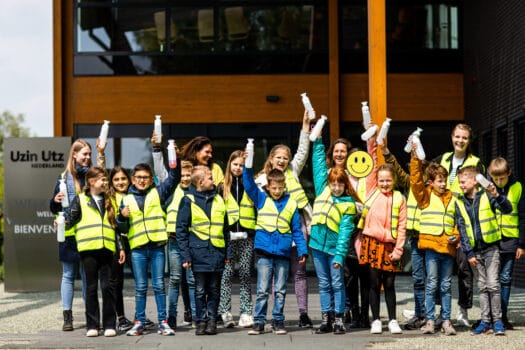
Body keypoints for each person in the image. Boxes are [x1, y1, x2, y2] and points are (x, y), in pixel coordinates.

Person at [255, 110, 313, 327]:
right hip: (274, 233)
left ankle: (303, 314)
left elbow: (302, 151)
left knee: (299, 273)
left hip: (297, 225)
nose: (282, 160)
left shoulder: (293, 170)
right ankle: (274, 315)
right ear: (271, 158)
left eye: (285, 157)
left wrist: (305, 127)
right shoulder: (262, 180)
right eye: (278, 157)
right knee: (273, 276)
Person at [244, 148, 308, 335]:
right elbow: (248, 185)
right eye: (274, 188)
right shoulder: (261, 198)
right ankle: (258, 322)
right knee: (263, 289)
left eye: (280, 188)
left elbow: (296, 229)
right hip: (264, 252)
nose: (277, 191)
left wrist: (302, 251)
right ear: (268, 187)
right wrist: (248, 165)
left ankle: (278, 321)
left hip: (283, 252)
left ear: (285, 187)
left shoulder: (291, 203)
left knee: (279, 290)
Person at [117, 162, 180, 336]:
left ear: (152, 179)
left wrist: (174, 158)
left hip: (157, 247)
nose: (142, 180)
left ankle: (163, 322)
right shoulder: (126, 199)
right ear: (133, 179)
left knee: (159, 285)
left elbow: (174, 178)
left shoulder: (158, 193)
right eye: (139, 177)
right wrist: (121, 218)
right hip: (138, 249)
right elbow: (121, 228)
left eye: (145, 177)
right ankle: (139, 322)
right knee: (141, 287)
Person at [432, 123, 484, 327]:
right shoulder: (443, 159)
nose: (460, 141)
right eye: (457, 137)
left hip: (464, 219)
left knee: (464, 269)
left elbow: (479, 193)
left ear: (469, 141)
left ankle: (463, 311)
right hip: (443, 220)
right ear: (452, 137)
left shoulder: (476, 162)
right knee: (439, 270)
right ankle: (439, 312)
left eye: (464, 138)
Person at [50, 139, 105, 331]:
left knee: (87, 276)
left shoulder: (92, 176)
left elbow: (102, 192)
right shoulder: (63, 178)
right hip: (68, 234)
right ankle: (68, 317)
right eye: (85, 154)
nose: (87, 158)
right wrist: (55, 200)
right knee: (68, 275)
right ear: (74, 155)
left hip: (87, 234)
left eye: (89, 154)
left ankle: (91, 317)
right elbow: (54, 208)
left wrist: (101, 153)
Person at [66, 166, 125, 337]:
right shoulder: (80, 200)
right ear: (91, 182)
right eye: (103, 180)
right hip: (88, 250)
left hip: (107, 249)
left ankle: (109, 325)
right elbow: (69, 219)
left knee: (108, 287)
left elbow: (116, 228)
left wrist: (120, 247)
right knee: (91, 288)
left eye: (106, 179)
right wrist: (60, 221)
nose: (106, 182)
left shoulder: (110, 200)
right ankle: (92, 325)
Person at [455, 166, 512, 336]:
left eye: (463, 182)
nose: (461, 185)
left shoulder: (487, 195)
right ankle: (485, 321)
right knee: (482, 287)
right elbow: (462, 230)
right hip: (475, 252)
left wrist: (496, 195)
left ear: (475, 180)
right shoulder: (460, 202)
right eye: (459, 183)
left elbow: (507, 208)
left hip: (491, 248)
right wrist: (469, 253)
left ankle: (498, 322)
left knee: (493, 285)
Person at [310, 136, 358, 335]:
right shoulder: (323, 190)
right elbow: (318, 164)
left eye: (340, 185)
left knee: (338, 283)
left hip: (333, 250)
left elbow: (345, 234)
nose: (336, 188)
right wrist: (318, 140)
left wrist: (339, 255)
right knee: (323, 283)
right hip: (317, 246)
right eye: (333, 184)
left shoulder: (347, 204)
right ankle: (326, 318)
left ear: (345, 186)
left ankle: (339, 318)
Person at [176, 165, 232, 336]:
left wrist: (228, 253)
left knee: (214, 289)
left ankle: (212, 321)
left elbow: (225, 230)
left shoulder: (219, 200)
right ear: (201, 182)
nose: (213, 180)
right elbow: (181, 231)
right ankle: (200, 321)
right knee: (199, 290)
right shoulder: (188, 201)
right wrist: (185, 256)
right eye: (209, 177)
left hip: (217, 253)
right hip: (198, 254)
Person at [151, 134, 196, 329]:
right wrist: (159, 150)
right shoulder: (171, 189)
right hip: (175, 240)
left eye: (188, 175)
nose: (185, 178)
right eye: (183, 175)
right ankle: (171, 318)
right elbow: (161, 169)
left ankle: (196, 316)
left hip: (194, 241)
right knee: (175, 280)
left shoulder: (197, 191)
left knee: (193, 281)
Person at [380, 142, 427, 330]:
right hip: (415, 237)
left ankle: (432, 315)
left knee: (434, 280)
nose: (415, 171)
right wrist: (386, 152)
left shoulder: (430, 185)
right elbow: (397, 171)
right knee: (418, 279)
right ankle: (421, 314)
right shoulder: (409, 183)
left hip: (431, 236)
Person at [358, 157, 406, 335]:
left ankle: (393, 320)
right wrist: (372, 138)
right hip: (372, 242)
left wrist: (399, 249)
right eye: (381, 180)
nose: (385, 184)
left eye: (388, 180)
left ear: (394, 180)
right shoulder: (371, 191)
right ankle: (376, 319)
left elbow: (402, 225)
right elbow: (372, 162)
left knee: (390, 284)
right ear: (376, 181)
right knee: (373, 283)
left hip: (390, 246)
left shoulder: (399, 198)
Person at [410, 156, 458, 336]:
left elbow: (457, 221)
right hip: (431, 247)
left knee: (446, 286)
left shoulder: (452, 198)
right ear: (430, 182)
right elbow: (415, 180)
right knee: (431, 284)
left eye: (445, 180)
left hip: (448, 248)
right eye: (439, 181)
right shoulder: (425, 195)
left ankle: (446, 320)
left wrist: (457, 235)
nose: (443, 184)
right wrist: (415, 159)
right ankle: (430, 320)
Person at [217, 150, 256, 328]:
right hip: (228, 238)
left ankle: (246, 312)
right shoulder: (221, 187)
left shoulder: (250, 184)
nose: (238, 168)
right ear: (229, 164)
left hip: (247, 237)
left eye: (241, 165)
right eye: (235, 164)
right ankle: (224, 311)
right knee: (226, 275)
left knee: (245, 274)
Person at [487, 157, 525, 330]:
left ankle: (503, 315)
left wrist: (522, 244)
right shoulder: (488, 189)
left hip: (511, 240)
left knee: (505, 278)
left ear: (509, 173)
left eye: (502, 178)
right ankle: (492, 317)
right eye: (495, 179)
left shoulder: (518, 188)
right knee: (491, 279)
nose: (499, 181)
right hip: (492, 239)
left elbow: (523, 217)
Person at [107, 166, 135, 332]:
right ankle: (121, 318)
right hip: (118, 245)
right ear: (111, 182)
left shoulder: (134, 195)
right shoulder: (109, 199)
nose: (120, 182)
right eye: (116, 179)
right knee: (116, 283)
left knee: (140, 282)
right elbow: (113, 225)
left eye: (123, 178)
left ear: (129, 179)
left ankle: (141, 317)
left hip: (135, 242)